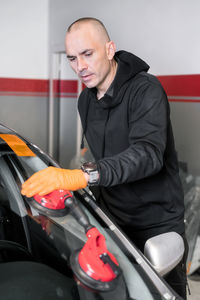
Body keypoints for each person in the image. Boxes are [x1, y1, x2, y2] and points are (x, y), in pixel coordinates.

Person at [21, 17, 188, 298]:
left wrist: (82, 175)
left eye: (88, 54)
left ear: (110, 49)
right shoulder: (85, 100)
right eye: (73, 59)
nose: (80, 67)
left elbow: (147, 155)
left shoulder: (146, 90)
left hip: (155, 225)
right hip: (111, 221)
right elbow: (101, 155)